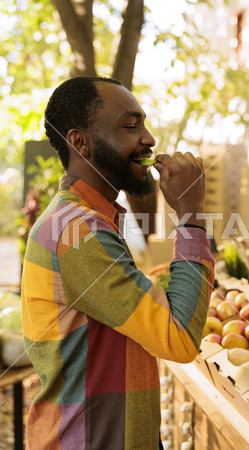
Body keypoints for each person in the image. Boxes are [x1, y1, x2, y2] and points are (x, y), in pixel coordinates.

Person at [21, 76, 215, 450]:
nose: (148, 138)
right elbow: (178, 339)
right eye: (130, 126)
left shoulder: (83, 218)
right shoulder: (79, 229)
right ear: (80, 142)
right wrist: (191, 215)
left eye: (143, 123)